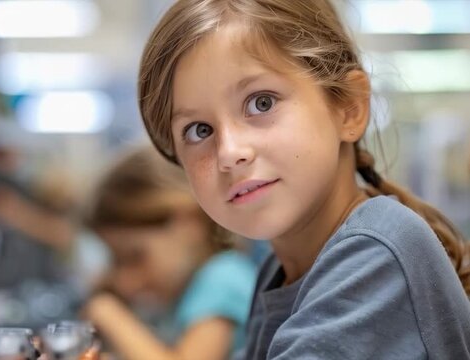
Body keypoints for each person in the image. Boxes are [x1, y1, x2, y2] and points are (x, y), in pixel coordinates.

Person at [137, 0, 470, 358]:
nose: (229, 152)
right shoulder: (279, 269)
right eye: (199, 130)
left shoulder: (374, 253)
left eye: (261, 103)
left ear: (349, 108)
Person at [82, 145, 256, 360]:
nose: (125, 281)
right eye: (116, 262)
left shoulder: (222, 277)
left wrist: (110, 315)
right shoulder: (186, 291)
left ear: (189, 223)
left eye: (136, 256)